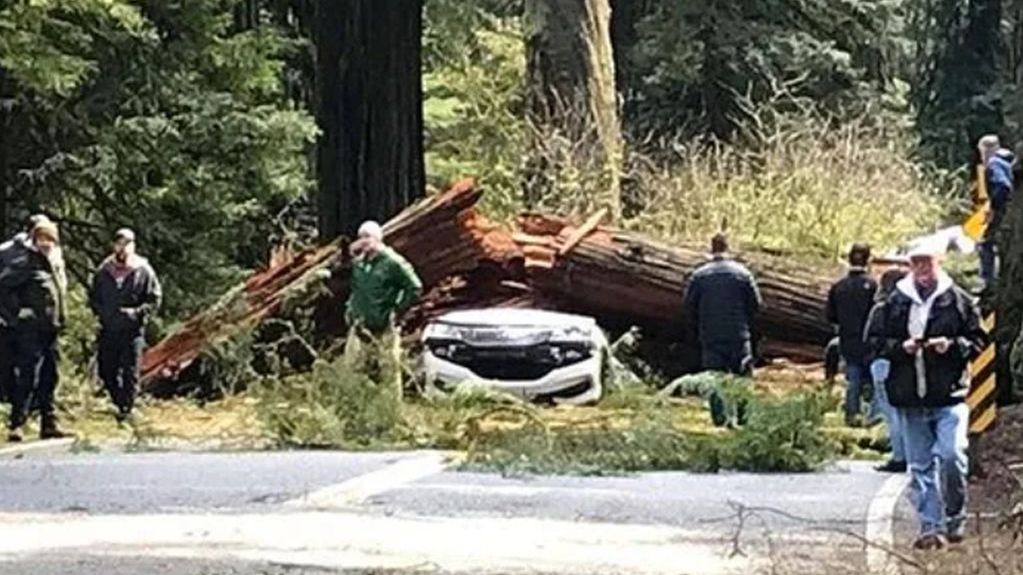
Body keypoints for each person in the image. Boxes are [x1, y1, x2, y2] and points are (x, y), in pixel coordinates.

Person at [869, 243, 985, 549]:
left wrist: (952, 346)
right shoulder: (895, 302)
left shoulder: (958, 300)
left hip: (949, 396)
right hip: (909, 396)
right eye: (916, 263)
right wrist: (901, 348)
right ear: (910, 266)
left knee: (951, 456)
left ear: (938, 262)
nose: (921, 269)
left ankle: (955, 516)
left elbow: (977, 340)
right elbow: (876, 341)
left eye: (927, 262)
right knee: (920, 467)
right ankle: (930, 528)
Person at [683, 233, 762, 426]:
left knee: (715, 378)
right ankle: (744, 417)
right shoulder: (743, 274)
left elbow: (689, 306)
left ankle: (720, 419)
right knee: (742, 377)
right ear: (728, 248)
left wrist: (700, 324)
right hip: (738, 334)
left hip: (711, 335)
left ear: (711, 249)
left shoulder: (699, 276)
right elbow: (756, 305)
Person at [0, 219, 67, 441]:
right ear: (34, 240)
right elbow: (4, 287)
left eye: (50, 239)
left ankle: (49, 423)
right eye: (41, 238)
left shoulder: (54, 262)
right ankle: (17, 423)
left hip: (51, 327)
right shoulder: (25, 262)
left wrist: (61, 318)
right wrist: (17, 312)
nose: (46, 243)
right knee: (28, 375)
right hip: (31, 329)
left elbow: (58, 293)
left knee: (50, 376)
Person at [89, 228, 162, 424]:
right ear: (114, 245)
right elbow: (94, 297)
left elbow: (154, 299)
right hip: (108, 329)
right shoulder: (104, 270)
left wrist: (137, 313)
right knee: (106, 370)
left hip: (132, 330)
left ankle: (126, 410)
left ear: (133, 246)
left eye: (127, 244)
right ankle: (118, 401)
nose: (123, 248)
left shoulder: (143, 270)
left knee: (130, 372)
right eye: (119, 243)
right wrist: (102, 314)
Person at [344, 221, 422, 396]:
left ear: (378, 238)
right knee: (353, 369)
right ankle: (356, 405)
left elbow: (414, 287)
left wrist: (397, 309)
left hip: (385, 326)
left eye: (368, 236)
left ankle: (391, 407)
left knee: (389, 371)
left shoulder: (392, 262)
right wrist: (350, 308)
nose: (364, 241)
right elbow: (355, 289)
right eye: (361, 237)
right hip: (360, 325)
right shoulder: (359, 264)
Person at [827, 244, 879, 427]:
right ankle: (872, 417)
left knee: (852, 377)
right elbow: (878, 313)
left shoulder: (838, 287)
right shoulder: (873, 286)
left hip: (847, 339)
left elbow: (831, 316)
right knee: (872, 379)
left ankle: (851, 415)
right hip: (870, 340)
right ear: (868, 260)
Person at [865, 266, 909, 473]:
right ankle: (911, 453)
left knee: (893, 414)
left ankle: (899, 457)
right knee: (906, 413)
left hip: (882, 363)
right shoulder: (912, 308)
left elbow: (870, 337)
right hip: (905, 364)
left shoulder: (881, 309)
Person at [977, 135, 1014, 290]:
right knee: (1007, 245)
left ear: (986, 150)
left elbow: (1002, 186)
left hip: (1004, 210)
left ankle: (988, 283)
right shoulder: (1009, 161)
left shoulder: (993, 164)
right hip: (1014, 211)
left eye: (982, 152)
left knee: (985, 243)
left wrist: (994, 208)